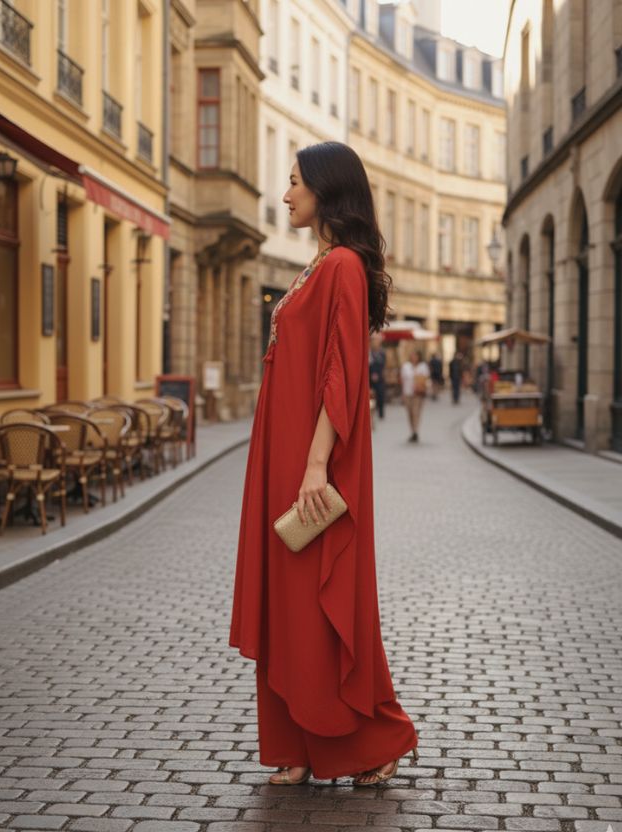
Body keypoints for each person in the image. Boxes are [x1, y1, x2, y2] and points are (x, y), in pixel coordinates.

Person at [230, 142, 419, 788]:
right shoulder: (316, 267)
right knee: (290, 602)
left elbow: (341, 377)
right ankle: (299, 744)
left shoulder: (340, 265)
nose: (285, 196)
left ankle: (376, 738)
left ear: (325, 189)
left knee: (324, 601)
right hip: (282, 457)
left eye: (294, 184)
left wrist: (316, 466)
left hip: (311, 461)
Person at [400, 350, 429, 441]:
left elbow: (426, 378)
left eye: (415, 356)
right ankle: (412, 431)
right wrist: (402, 394)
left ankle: (415, 431)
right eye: (412, 356)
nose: (414, 358)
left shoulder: (423, 366)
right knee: (410, 413)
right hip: (407, 392)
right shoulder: (406, 366)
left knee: (416, 412)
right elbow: (402, 380)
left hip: (418, 394)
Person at [369, 333, 387, 419]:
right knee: (371, 397)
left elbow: (383, 366)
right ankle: (371, 413)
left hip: (379, 378)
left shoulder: (382, 353)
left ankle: (381, 412)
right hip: (370, 378)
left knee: (380, 395)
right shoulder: (369, 353)